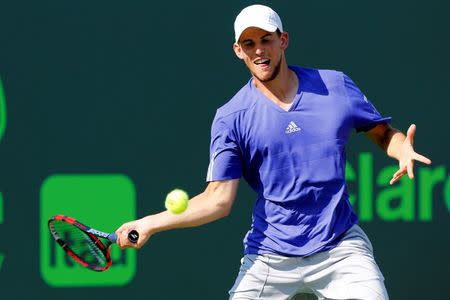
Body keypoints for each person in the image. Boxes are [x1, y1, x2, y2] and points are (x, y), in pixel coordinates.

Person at [116, 4, 431, 300]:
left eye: (266, 40)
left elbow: (383, 133)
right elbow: (217, 199)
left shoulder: (335, 87)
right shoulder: (231, 118)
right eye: (248, 43)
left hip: (340, 248)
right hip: (269, 257)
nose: (258, 51)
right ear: (238, 51)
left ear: (283, 40)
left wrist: (402, 149)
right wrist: (150, 223)